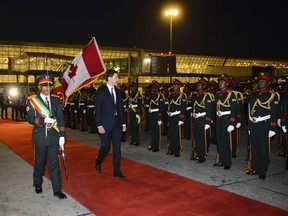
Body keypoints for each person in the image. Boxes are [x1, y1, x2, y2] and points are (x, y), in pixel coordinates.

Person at [26, 74, 67, 199]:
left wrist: (62, 135)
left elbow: (61, 118)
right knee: (40, 162)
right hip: (40, 137)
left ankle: (57, 189)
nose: (48, 88)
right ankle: (38, 183)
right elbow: (30, 119)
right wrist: (44, 121)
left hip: (54, 136)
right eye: (45, 85)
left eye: (50, 85)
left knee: (54, 163)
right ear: (39, 86)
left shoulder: (55, 100)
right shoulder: (33, 101)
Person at [95, 70, 127, 179]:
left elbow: (121, 109)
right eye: (116, 77)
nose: (118, 79)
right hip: (105, 124)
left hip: (117, 124)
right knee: (106, 147)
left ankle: (117, 171)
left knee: (117, 148)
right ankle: (98, 160)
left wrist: (123, 123)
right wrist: (99, 125)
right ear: (109, 78)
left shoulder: (118, 92)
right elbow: (97, 109)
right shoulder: (101, 91)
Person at [247, 71, 280, 179]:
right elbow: (250, 111)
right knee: (254, 148)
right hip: (254, 124)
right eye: (259, 80)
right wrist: (250, 125)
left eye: (263, 80)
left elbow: (274, 113)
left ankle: (263, 170)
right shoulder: (253, 94)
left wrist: (272, 128)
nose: (260, 82)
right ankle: (255, 168)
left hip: (264, 125)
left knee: (263, 149)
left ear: (268, 83)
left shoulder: (273, 96)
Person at [214, 74, 237, 170]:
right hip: (219, 119)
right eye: (219, 81)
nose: (220, 83)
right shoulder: (218, 94)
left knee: (226, 141)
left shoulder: (231, 94)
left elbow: (234, 109)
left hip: (227, 119)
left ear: (227, 83)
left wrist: (232, 122)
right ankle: (221, 160)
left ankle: (227, 162)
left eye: (222, 81)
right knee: (219, 141)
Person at [191, 78, 214, 163]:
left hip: (203, 119)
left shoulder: (207, 95)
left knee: (203, 138)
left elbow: (209, 109)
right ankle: (198, 154)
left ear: (204, 86)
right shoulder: (196, 95)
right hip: (196, 119)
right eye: (197, 84)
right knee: (197, 138)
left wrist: (208, 121)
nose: (198, 85)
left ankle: (203, 155)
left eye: (200, 84)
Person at [167, 79, 187, 157]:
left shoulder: (182, 96)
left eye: (175, 85)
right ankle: (172, 149)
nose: (173, 86)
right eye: (173, 85)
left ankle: (178, 150)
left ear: (179, 86)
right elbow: (169, 105)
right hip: (171, 116)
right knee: (171, 134)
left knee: (177, 134)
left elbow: (183, 107)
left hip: (177, 116)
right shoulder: (171, 95)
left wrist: (181, 118)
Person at [128, 81, 142, 146]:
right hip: (131, 112)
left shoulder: (138, 95)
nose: (131, 89)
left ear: (135, 88)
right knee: (132, 127)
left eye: (133, 87)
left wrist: (138, 113)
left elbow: (139, 104)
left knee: (136, 127)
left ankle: (137, 141)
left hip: (136, 112)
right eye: (131, 87)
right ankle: (132, 139)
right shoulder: (130, 95)